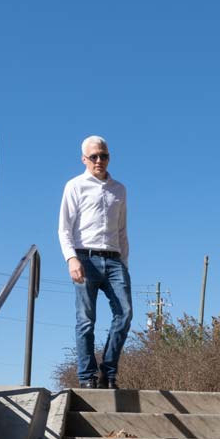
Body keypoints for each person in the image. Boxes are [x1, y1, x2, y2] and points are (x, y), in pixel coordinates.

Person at [58, 135, 132, 389]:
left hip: (114, 261)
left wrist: (124, 263)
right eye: (94, 157)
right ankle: (87, 377)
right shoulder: (74, 186)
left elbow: (122, 230)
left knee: (125, 314)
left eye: (104, 155)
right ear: (84, 159)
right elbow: (64, 228)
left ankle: (108, 372)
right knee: (86, 320)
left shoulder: (119, 189)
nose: (99, 160)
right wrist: (71, 259)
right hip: (84, 258)